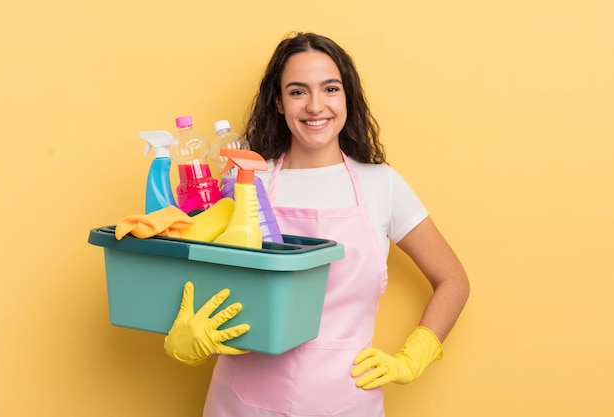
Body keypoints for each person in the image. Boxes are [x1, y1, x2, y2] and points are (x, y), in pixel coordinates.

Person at [163, 32, 470, 417]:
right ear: (278, 101)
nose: (315, 106)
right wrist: (182, 339)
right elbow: (199, 283)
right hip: (242, 404)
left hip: (346, 402)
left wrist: (413, 358)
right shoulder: (246, 184)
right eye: (297, 91)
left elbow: (453, 280)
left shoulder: (381, 184)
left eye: (330, 89)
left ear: (347, 97)